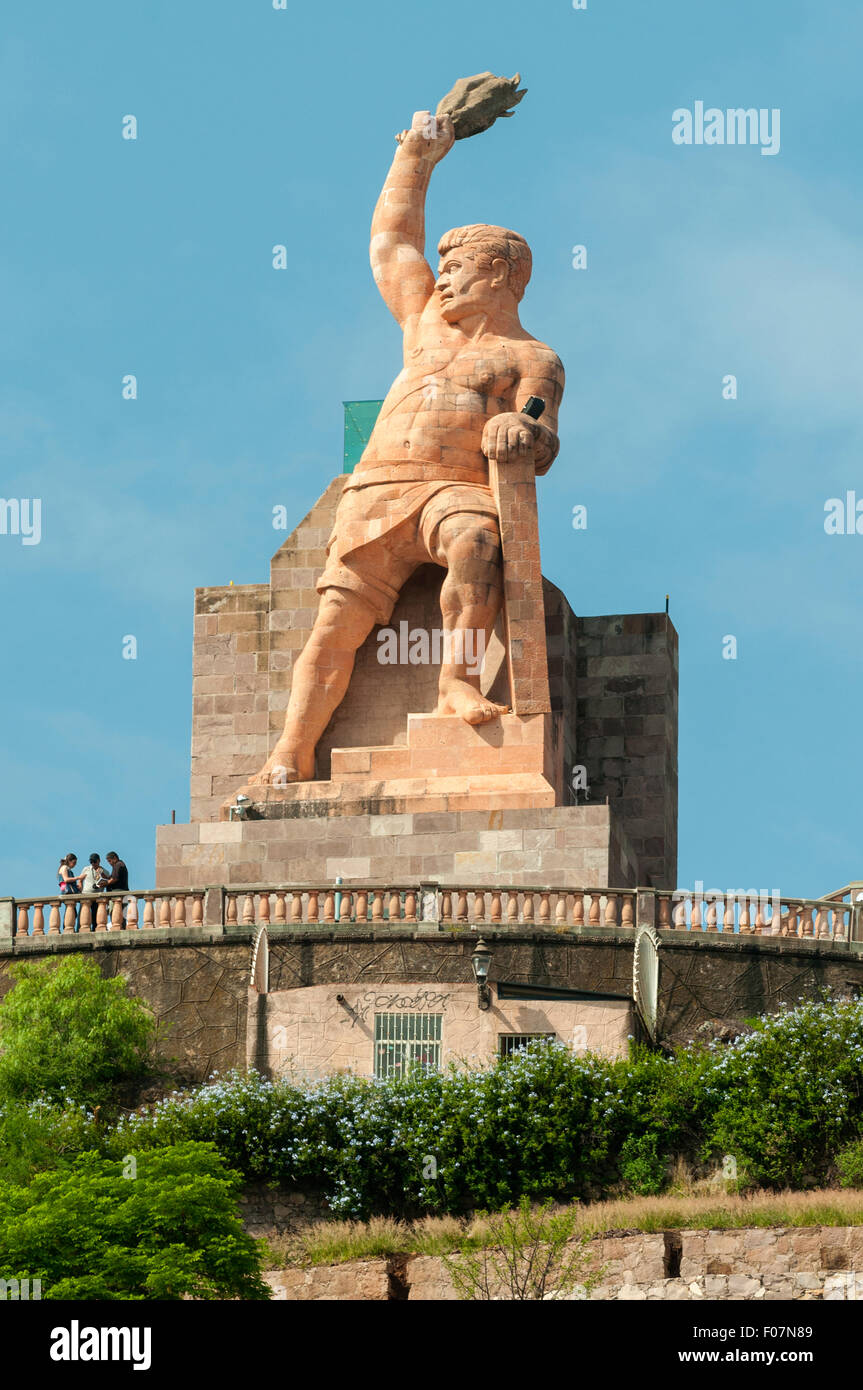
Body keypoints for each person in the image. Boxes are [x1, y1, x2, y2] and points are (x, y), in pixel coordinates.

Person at [251, 108, 563, 785]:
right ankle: (290, 752)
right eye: (443, 266)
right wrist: (416, 157)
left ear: (501, 275)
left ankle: (457, 680)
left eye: (459, 267)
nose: (442, 277)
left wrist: (523, 428)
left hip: (457, 488)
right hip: (380, 486)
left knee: (476, 543)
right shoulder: (423, 324)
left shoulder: (530, 356)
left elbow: (538, 423)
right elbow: (391, 243)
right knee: (333, 623)